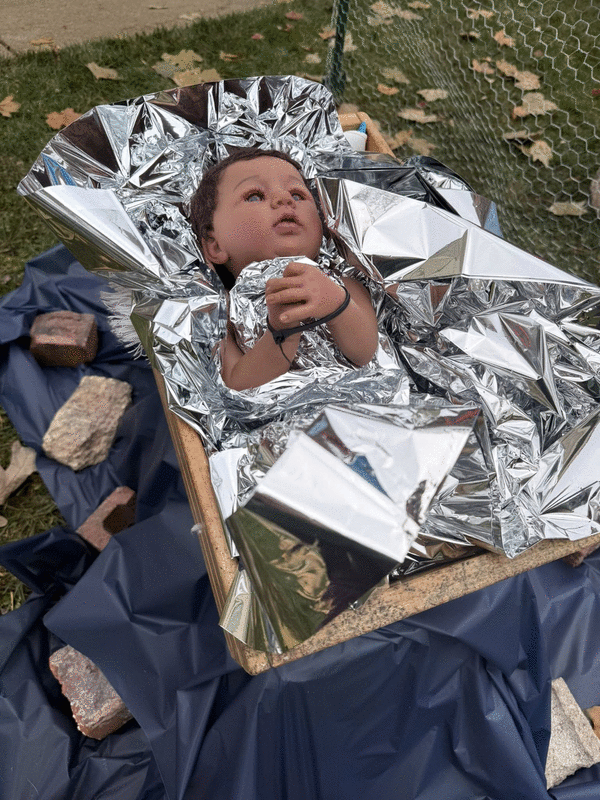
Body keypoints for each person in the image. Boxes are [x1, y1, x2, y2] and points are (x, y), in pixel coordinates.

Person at [190, 148, 379, 391]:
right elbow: (235, 382)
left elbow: (364, 353)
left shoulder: (343, 284)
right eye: (255, 196)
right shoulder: (220, 309)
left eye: (298, 195)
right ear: (215, 245)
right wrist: (281, 333)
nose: (284, 199)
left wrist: (335, 303)